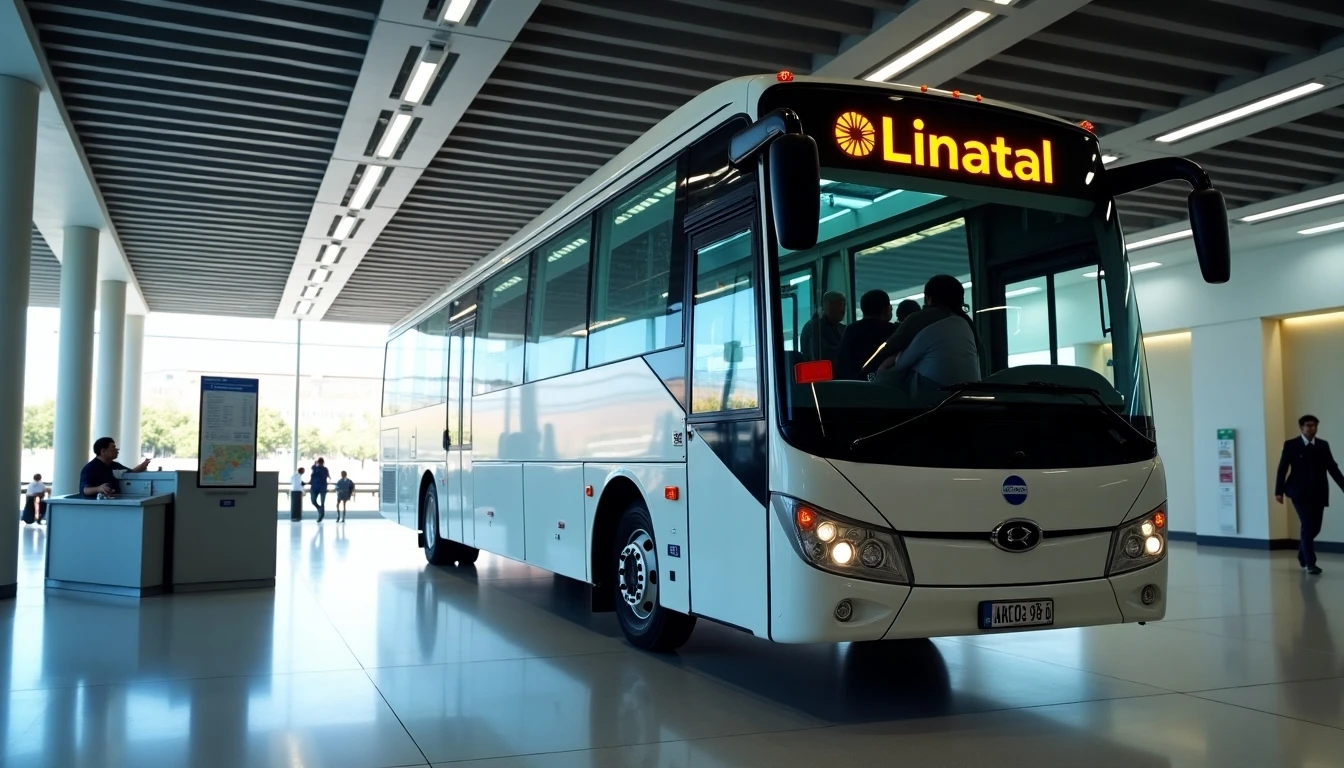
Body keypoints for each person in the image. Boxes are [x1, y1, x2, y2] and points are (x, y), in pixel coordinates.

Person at [874, 274, 981, 396]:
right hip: (969, 392)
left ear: (929, 298)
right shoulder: (966, 322)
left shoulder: (922, 318)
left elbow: (891, 348)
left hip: (934, 396)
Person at [1275, 415, 1344, 575]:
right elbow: (1282, 468)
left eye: (1314, 426)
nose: (1312, 428)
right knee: (1307, 524)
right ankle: (1310, 563)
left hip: (1318, 492)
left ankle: (1302, 553)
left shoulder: (1322, 445)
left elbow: (1332, 468)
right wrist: (1278, 491)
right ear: (1301, 428)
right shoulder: (1291, 445)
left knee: (1315, 527)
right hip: (1298, 492)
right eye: (1308, 426)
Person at [837, 289, 895, 380]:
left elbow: (841, 360)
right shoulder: (892, 330)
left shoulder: (851, 329)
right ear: (885, 309)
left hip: (854, 384)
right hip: (884, 385)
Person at [79, 437, 151, 498]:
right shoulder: (90, 468)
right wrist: (99, 488)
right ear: (103, 451)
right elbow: (85, 490)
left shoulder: (115, 465)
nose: (117, 450)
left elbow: (131, 473)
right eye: (113, 447)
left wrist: (142, 466)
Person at [799, 291, 846, 367]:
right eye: (840, 305)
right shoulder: (815, 327)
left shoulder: (842, 328)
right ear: (828, 305)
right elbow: (819, 355)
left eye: (844, 305)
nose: (843, 310)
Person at [309, 457, 331, 522]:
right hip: (314, 486)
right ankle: (319, 509)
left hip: (322, 487)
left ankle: (321, 515)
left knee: (322, 502)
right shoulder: (315, 468)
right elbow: (312, 468)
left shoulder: (325, 469)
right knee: (313, 500)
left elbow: (327, 476)